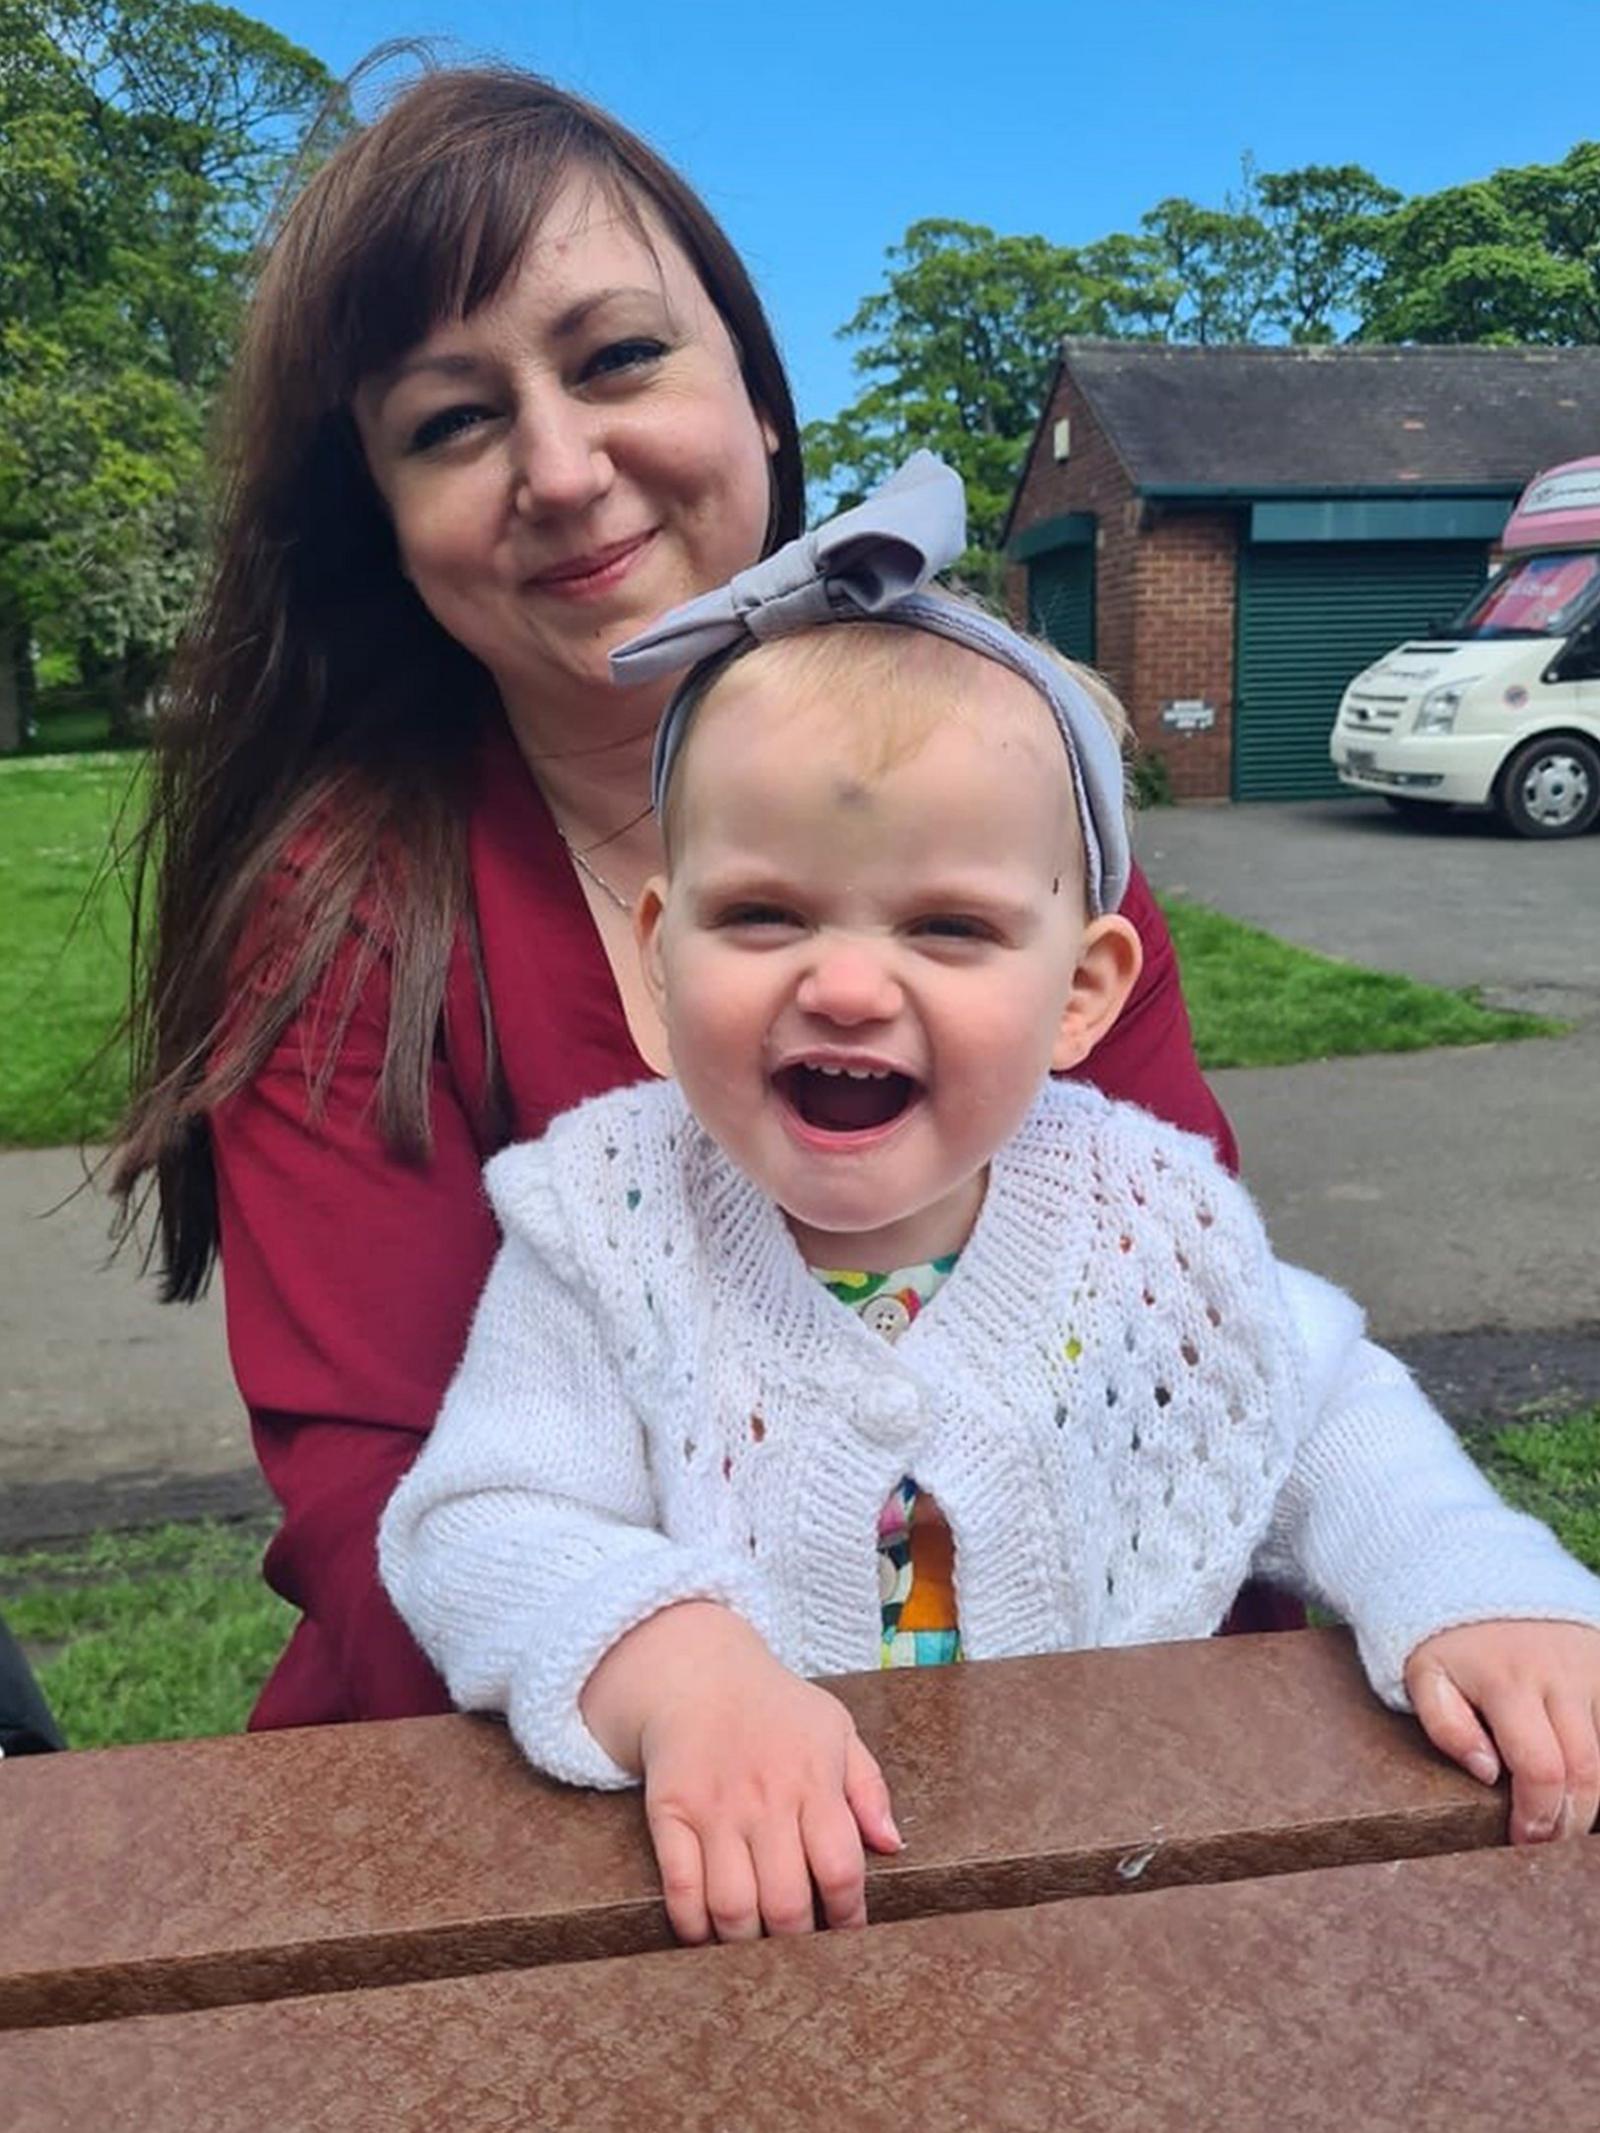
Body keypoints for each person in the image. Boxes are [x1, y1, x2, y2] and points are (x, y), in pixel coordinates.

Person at [112, 64, 1287, 1738]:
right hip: (543, 1792)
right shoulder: (347, 912)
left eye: (617, 360)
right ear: (385, 524)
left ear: (762, 401)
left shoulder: (1001, 807)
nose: (564, 468)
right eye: (451, 421)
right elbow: (373, 1503)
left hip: (1037, 1738)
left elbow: (1202, 1337)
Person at [379, 457, 1600, 1948]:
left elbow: (1326, 1405)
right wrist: (678, 1667)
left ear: (1079, 992)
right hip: (756, 1907)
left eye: (948, 926)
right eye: (762, 913)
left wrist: (1467, 1576)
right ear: (657, 953)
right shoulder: (607, 1225)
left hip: (1103, 1889)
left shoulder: (1141, 1216)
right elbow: (484, 1521)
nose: (839, 981)